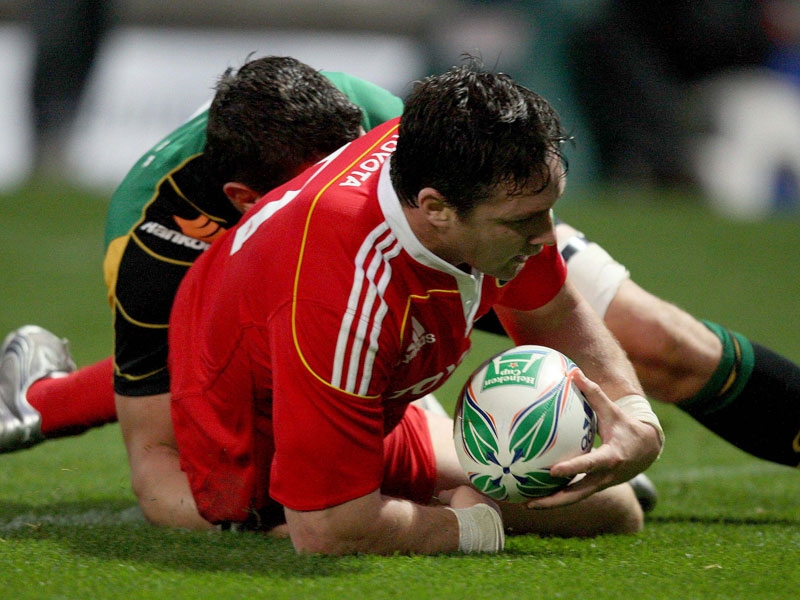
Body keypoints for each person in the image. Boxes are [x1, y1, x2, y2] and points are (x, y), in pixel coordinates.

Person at [1, 55, 798, 528]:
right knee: (238, 382)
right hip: (313, 285)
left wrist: (633, 418)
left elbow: (534, 276)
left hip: (465, 224)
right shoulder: (156, 246)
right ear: (251, 201)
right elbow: (163, 447)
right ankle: (42, 398)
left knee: (666, 347)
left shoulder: (398, 140)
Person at [168, 59, 663, 554]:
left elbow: (553, 314)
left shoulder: (464, 160)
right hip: (254, 442)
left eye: (548, 210)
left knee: (615, 508)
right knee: (329, 521)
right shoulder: (344, 295)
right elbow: (328, 532)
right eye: (523, 222)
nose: (549, 237)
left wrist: (634, 415)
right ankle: (262, 518)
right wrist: (476, 527)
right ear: (435, 209)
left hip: (362, 392)